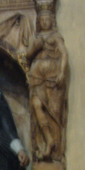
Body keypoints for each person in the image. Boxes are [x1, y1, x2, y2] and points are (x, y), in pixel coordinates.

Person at [26, 10, 68, 161]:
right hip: (37, 75)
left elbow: (64, 54)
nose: (44, 21)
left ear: (52, 20)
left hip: (52, 76)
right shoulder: (36, 37)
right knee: (36, 105)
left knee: (54, 112)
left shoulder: (55, 37)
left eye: (47, 19)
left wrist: (62, 72)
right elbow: (28, 55)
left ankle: (55, 151)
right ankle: (48, 139)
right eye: (41, 19)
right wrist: (35, 47)